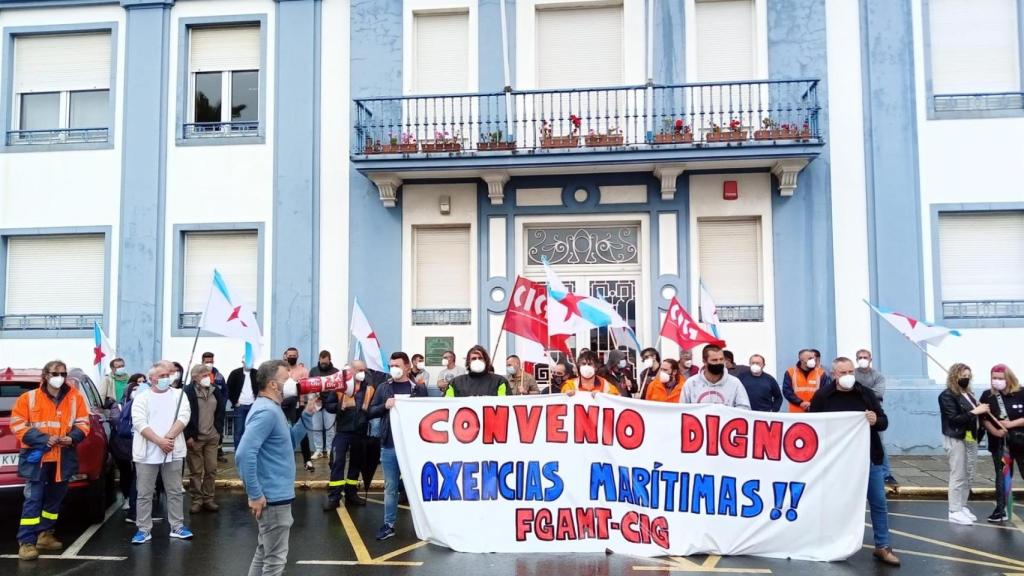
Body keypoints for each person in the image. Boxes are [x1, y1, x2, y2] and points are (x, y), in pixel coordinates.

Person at [809, 357, 900, 566]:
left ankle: (883, 546)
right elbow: (812, 427)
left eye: (850, 371)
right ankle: (832, 545)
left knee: (878, 502)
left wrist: (875, 420)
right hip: (837, 461)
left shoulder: (865, 393)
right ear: (834, 374)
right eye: (843, 373)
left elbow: (883, 421)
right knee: (834, 504)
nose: (848, 376)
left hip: (869, 458)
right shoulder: (823, 396)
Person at [235, 359, 317, 576]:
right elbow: (244, 454)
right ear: (273, 384)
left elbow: (288, 442)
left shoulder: (272, 409)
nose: (292, 382)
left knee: (264, 553)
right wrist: (254, 494)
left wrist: (307, 414)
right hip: (272, 496)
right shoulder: (267, 412)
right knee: (274, 561)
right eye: (286, 378)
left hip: (275, 494)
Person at [11, 360, 91, 561]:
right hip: (37, 456)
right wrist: (44, 439)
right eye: (56, 373)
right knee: (33, 499)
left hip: (63, 456)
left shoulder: (75, 397)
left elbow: (83, 423)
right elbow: (18, 425)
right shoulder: (28, 398)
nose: (60, 377)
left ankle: (45, 534)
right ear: (45, 375)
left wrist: (72, 437)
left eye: (63, 373)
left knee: (55, 499)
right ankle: (26, 542)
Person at [366, 352, 428, 541]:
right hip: (390, 444)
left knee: (417, 487)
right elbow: (370, 412)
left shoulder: (418, 389)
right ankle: (389, 524)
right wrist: (384, 406)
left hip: (413, 447)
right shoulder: (384, 388)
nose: (394, 368)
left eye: (397, 365)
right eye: (391, 365)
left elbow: (426, 414)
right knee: (390, 487)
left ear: (408, 366)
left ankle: (424, 524)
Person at [131, 360, 193, 544]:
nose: (166, 379)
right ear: (152, 379)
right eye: (162, 376)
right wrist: (159, 442)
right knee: (144, 493)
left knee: (174, 491)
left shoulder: (179, 395)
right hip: (147, 454)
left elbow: (184, 416)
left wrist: (170, 438)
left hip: (173, 451)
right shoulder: (142, 398)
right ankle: (143, 529)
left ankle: (177, 526)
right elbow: (139, 423)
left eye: (168, 375)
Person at [938, 362, 988, 525]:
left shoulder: (969, 394)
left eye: (968, 376)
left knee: (969, 473)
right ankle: (954, 510)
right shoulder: (947, 396)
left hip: (970, 437)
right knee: (958, 473)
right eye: (962, 376)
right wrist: (975, 411)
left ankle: (962, 505)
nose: (966, 379)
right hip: (956, 437)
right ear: (954, 376)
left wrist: (981, 410)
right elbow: (954, 420)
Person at [324, 360, 375, 510]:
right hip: (343, 432)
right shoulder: (340, 386)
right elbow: (329, 405)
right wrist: (341, 406)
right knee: (337, 462)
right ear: (351, 370)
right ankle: (334, 497)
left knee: (356, 464)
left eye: (363, 370)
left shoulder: (369, 388)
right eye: (359, 370)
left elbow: (373, 406)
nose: (361, 373)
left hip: (360, 432)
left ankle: (351, 494)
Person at [979, 364, 1024, 524]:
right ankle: (1001, 509)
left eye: (1000, 378)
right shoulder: (988, 396)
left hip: (1020, 442)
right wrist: (995, 431)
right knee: (1003, 476)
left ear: (1008, 378)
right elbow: (983, 419)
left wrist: (1010, 424)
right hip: (1000, 444)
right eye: (994, 378)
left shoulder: (1021, 393)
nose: (997, 381)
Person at [183, 364, 225, 514]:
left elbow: (221, 411)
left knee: (211, 469)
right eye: (204, 375)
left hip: (212, 436)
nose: (208, 378)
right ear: (195, 377)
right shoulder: (187, 392)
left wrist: (218, 431)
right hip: (195, 438)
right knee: (195, 471)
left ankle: (208, 499)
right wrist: (188, 436)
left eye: (209, 375)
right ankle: (197, 500)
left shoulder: (215, 390)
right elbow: (184, 416)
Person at [855, 349, 896, 486]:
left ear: (870, 359)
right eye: (860, 357)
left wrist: (860, 391)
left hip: (875, 412)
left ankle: (886, 474)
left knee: (879, 443)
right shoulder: (852, 374)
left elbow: (878, 392)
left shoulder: (878, 376)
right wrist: (866, 391)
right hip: (856, 414)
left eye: (865, 357)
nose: (862, 359)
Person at [682, 345, 750, 409]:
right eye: (714, 360)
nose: (719, 363)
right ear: (704, 361)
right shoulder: (690, 384)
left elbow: (744, 408)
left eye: (721, 359)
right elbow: (683, 409)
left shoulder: (735, 383)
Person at [280, 348, 314, 472]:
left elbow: (307, 387)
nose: (292, 357)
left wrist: (304, 403)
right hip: (282, 405)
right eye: (290, 355)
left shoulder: (303, 371)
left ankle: (307, 460)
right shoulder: (281, 370)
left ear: (298, 356)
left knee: (302, 431)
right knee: (284, 432)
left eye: (294, 355)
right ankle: (285, 460)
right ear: (285, 356)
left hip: (298, 405)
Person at [309, 350, 339, 461]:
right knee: (316, 428)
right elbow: (309, 385)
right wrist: (313, 398)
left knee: (330, 429)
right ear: (319, 360)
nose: (323, 365)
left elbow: (339, 387)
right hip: (317, 402)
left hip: (331, 404)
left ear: (329, 360)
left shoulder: (336, 372)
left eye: (325, 363)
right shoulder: (313, 371)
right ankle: (319, 450)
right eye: (322, 362)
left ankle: (330, 449)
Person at [228, 357, 258, 449]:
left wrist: (257, 401)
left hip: (253, 405)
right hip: (240, 406)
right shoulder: (235, 373)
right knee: (238, 431)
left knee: (252, 430)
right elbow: (229, 388)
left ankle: (249, 452)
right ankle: (238, 452)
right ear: (243, 362)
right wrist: (235, 401)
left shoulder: (257, 373)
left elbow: (262, 387)